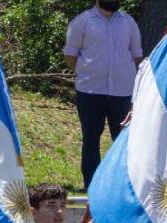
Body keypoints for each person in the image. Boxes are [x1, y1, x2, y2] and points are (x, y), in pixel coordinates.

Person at [63, 0, 142, 188]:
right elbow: (70, 55)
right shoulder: (81, 22)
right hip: (90, 92)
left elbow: (136, 55)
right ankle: (92, 186)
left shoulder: (129, 23)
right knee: (91, 139)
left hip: (122, 93)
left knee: (124, 141)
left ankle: (125, 186)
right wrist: (88, 72)